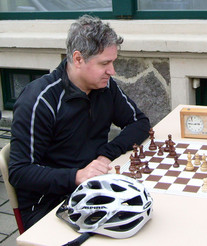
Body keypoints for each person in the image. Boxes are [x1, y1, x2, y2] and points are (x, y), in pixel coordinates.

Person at [9, 15, 151, 230]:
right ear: (78, 59)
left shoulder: (105, 86)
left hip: (93, 188)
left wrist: (105, 155)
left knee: (150, 212)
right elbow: (20, 172)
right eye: (104, 63)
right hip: (49, 205)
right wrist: (77, 176)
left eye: (113, 62)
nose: (112, 71)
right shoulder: (39, 99)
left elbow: (139, 123)